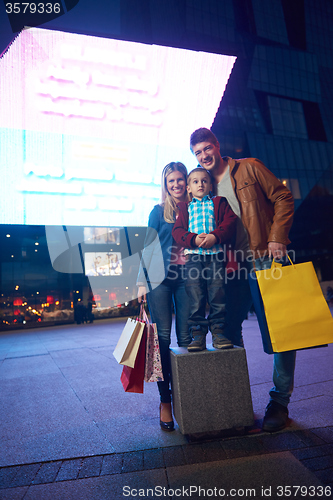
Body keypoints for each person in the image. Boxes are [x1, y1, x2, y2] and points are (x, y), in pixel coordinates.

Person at [189, 127, 294, 433]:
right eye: (197, 152)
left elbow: (283, 197)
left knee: (281, 331)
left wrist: (278, 237)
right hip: (232, 267)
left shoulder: (249, 167)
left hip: (265, 258)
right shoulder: (205, 187)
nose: (204, 155)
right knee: (227, 329)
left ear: (217, 146)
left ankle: (279, 402)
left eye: (207, 148)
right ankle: (235, 400)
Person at [137, 162, 191, 432]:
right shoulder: (158, 212)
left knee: (186, 339)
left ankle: (187, 397)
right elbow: (148, 247)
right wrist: (140, 282)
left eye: (180, 179)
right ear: (165, 184)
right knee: (163, 340)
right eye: (171, 180)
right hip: (159, 280)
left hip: (187, 279)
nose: (176, 184)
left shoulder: (195, 208)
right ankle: (166, 401)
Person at [172, 168, 237, 351]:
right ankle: (198, 334)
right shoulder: (185, 208)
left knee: (217, 293)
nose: (200, 184)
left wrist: (215, 237)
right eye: (195, 181)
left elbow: (230, 222)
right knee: (195, 295)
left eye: (204, 181)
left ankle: (218, 332)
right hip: (193, 258)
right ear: (188, 188)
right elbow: (177, 232)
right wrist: (193, 239)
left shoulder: (218, 203)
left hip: (215, 256)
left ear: (210, 186)